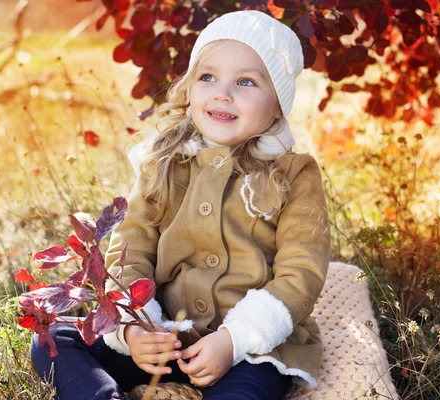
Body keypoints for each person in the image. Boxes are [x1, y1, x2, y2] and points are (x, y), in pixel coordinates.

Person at [30, 9, 330, 400]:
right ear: (189, 91)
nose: (223, 92)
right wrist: (134, 329)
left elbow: (301, 274)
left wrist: (233, 341)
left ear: (277, 105)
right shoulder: (163, 164)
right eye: (208, 77)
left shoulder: (293, 175)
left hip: (246, 350)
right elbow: (130, 246)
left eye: (246, 81)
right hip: (163, 339)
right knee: (54, 338)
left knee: (248, 390)